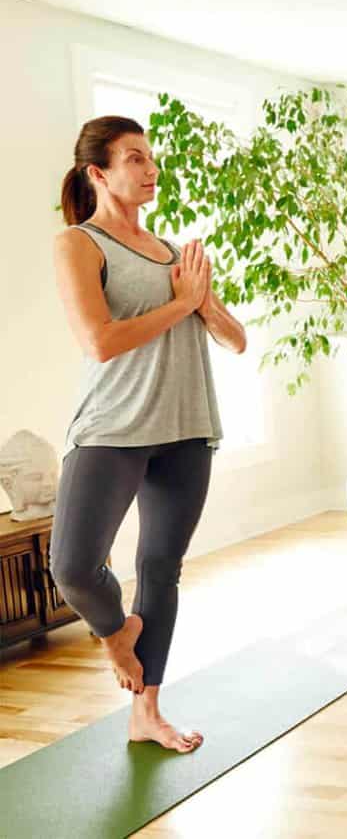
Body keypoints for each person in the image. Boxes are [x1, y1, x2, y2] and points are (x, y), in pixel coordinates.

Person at [50, 115, 247, 753]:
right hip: (112, 428)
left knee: (159, 570)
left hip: (186, 430)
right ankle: (117, 637)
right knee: (75, 568)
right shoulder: (80, 244)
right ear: (98, 172)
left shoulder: (173, 253)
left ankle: (147, 714)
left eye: (151, 157)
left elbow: (236, 340)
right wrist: (181, 305)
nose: (150, 168)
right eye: (134, 158)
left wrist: (204, 301)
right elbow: (101, 342)